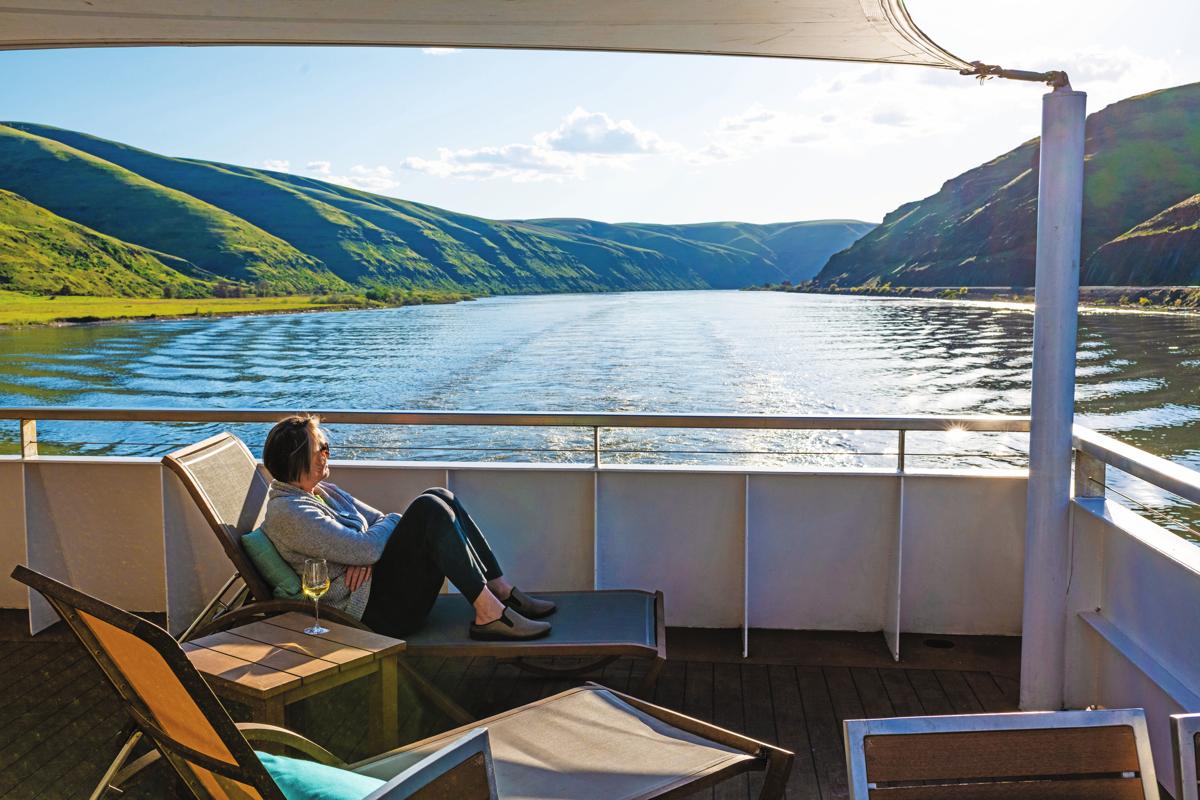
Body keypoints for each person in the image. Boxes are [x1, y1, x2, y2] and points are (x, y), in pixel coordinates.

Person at [260, 414, 554, 640]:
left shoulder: (323, 491)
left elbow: (385, 520)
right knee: (428, 510)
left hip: (379, 589)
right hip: (372, 615)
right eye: (321, 449)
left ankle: (498, 590)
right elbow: (369, 547)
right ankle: (488, 615)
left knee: (439, 496)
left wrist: (366, 556)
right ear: (297, 460)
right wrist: (364, 551)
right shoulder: (290, 513)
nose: (328, 453)